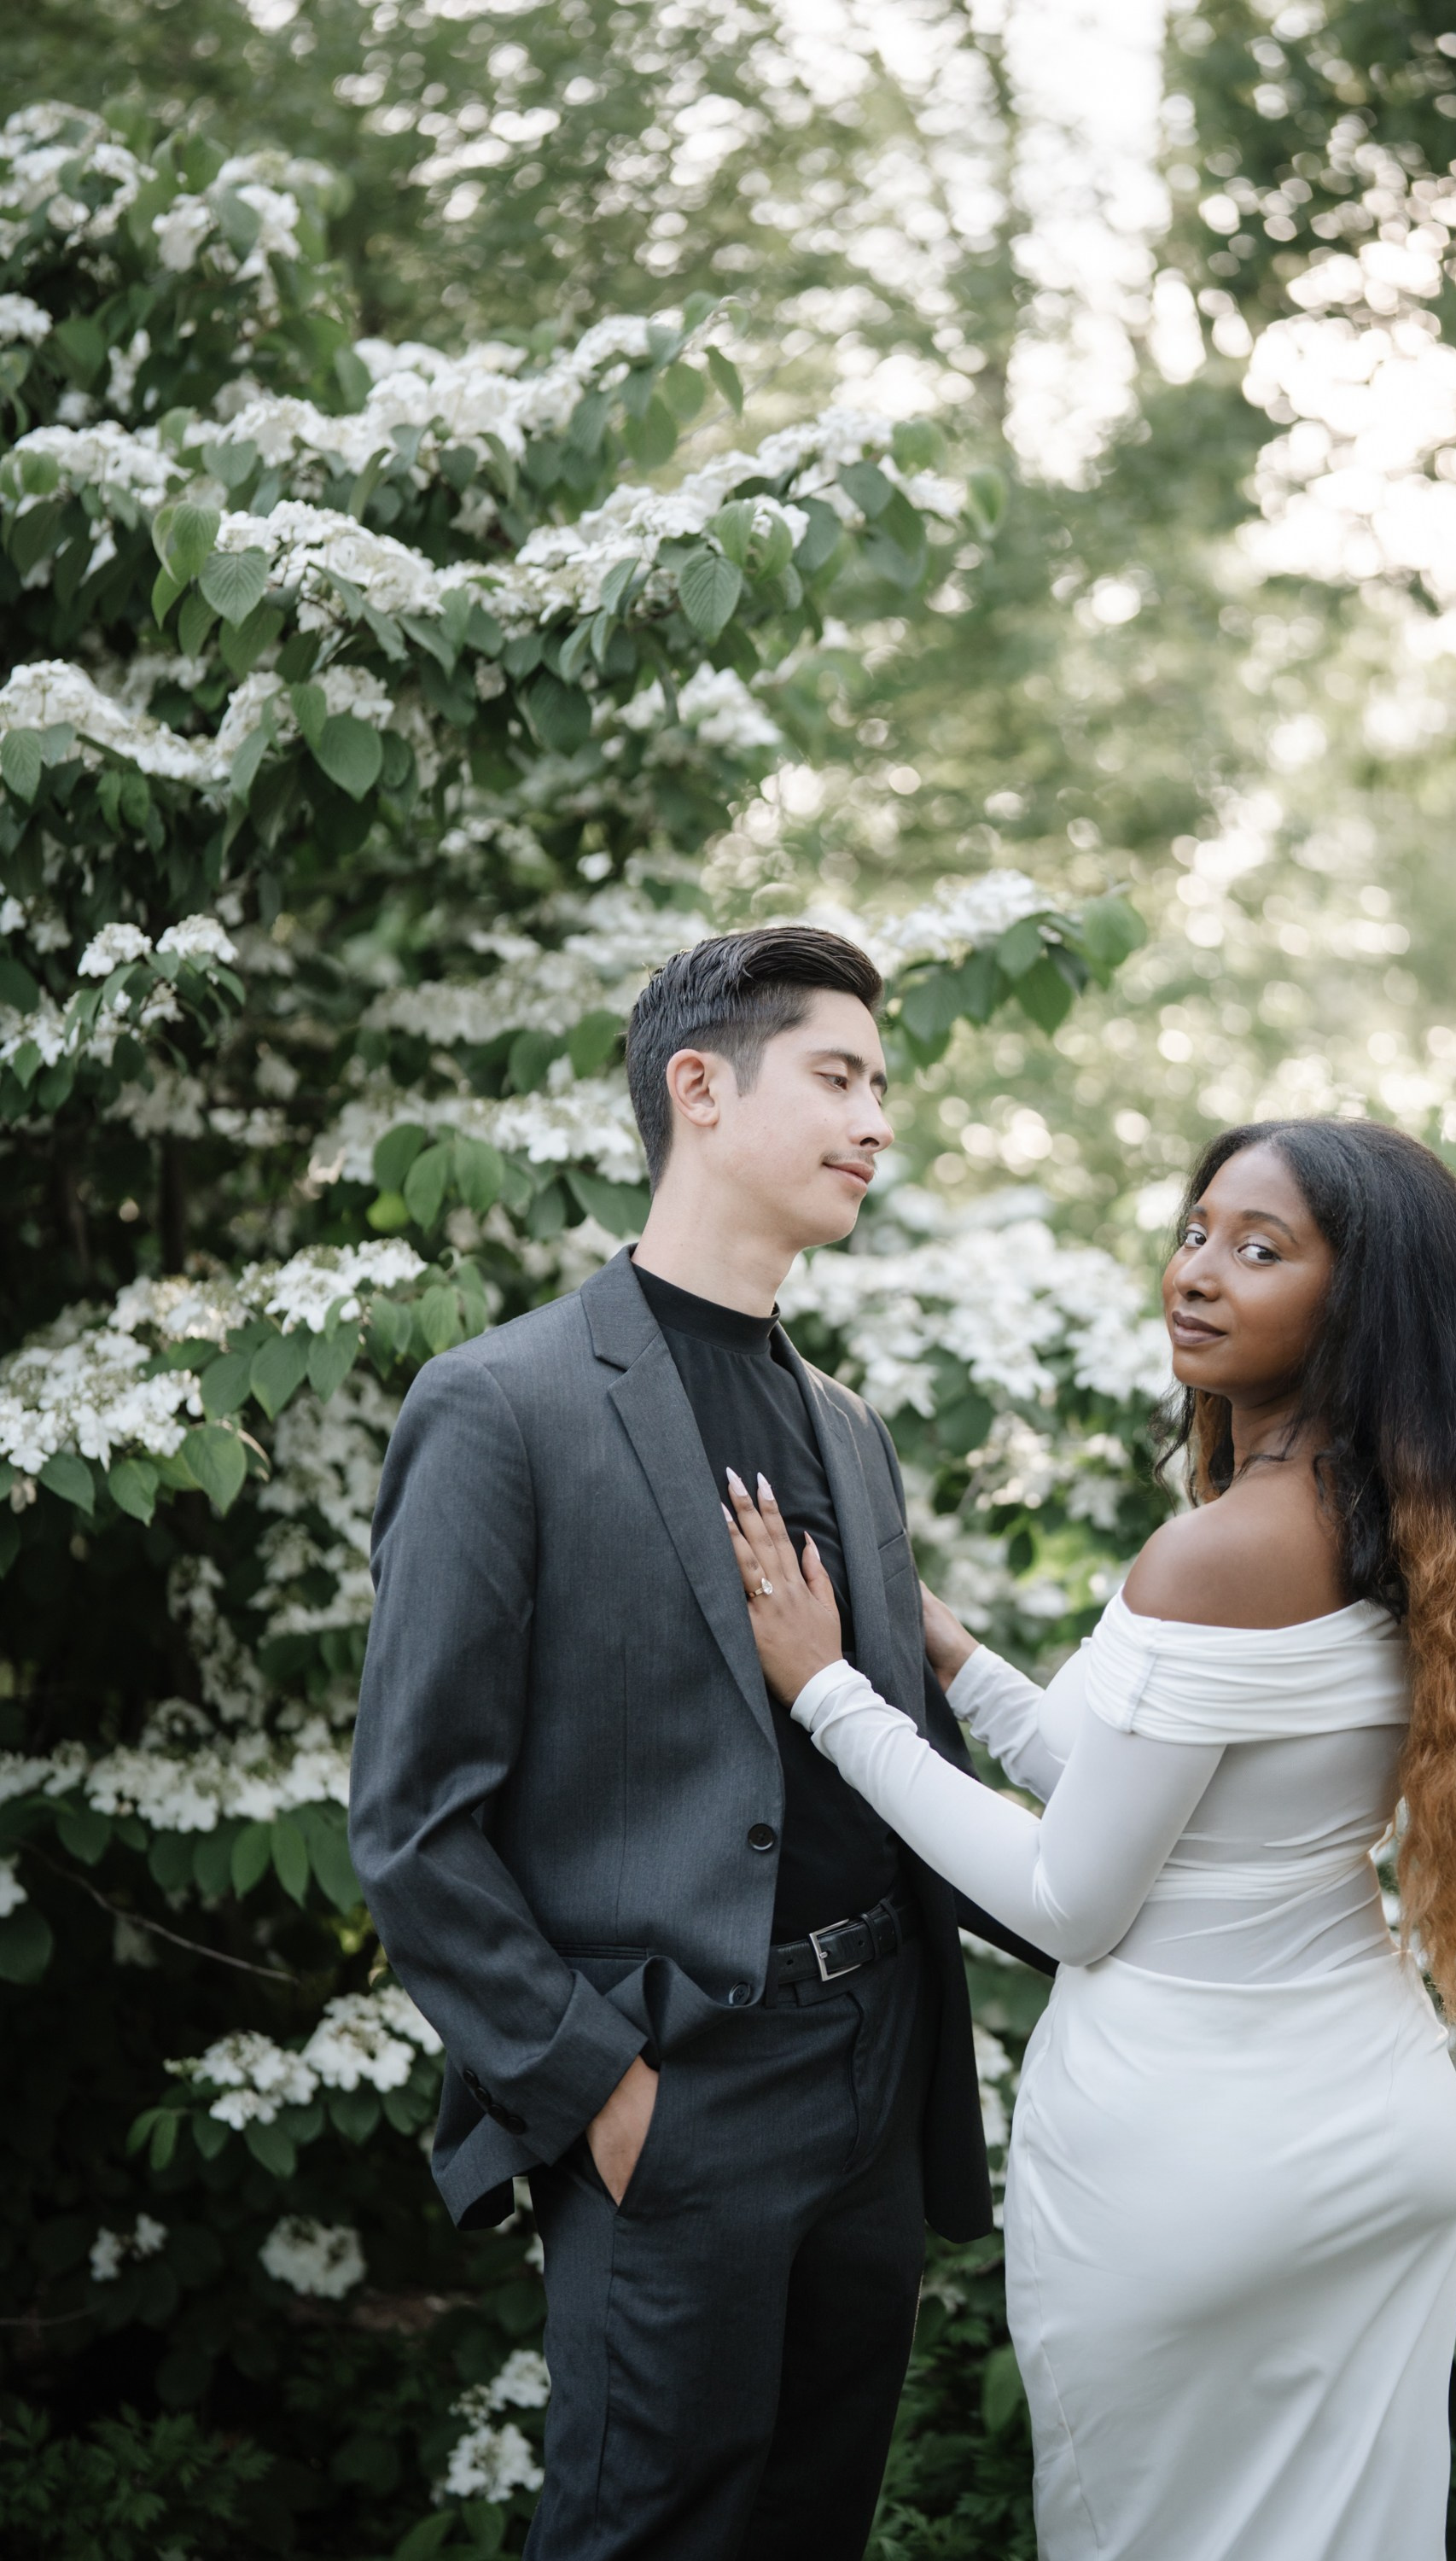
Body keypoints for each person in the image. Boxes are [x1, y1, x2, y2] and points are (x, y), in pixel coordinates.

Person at [725, 1116, 1456, 2561]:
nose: (1199, 1272)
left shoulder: (1220, 1551)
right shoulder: (1407, 1526)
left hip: (1197, 2165)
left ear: (1359, 1306)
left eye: (1262, 1250)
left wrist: (824, 1687)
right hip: (1375, 2132)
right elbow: (1134, 1781)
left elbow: (1070, 1897)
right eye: (1197, 1232)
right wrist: (937, 1645)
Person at [348, 925, 1040, 2561]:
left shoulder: (851, 1431)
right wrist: (598, 2090)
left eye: (885, 1085)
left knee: (814, 2530)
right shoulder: (500, 1404)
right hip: (673, 2089)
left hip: (876, 2071)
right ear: (700, 1089)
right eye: (842, 1076)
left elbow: (900, 1754)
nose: (881, 1120)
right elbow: (413, 1821)